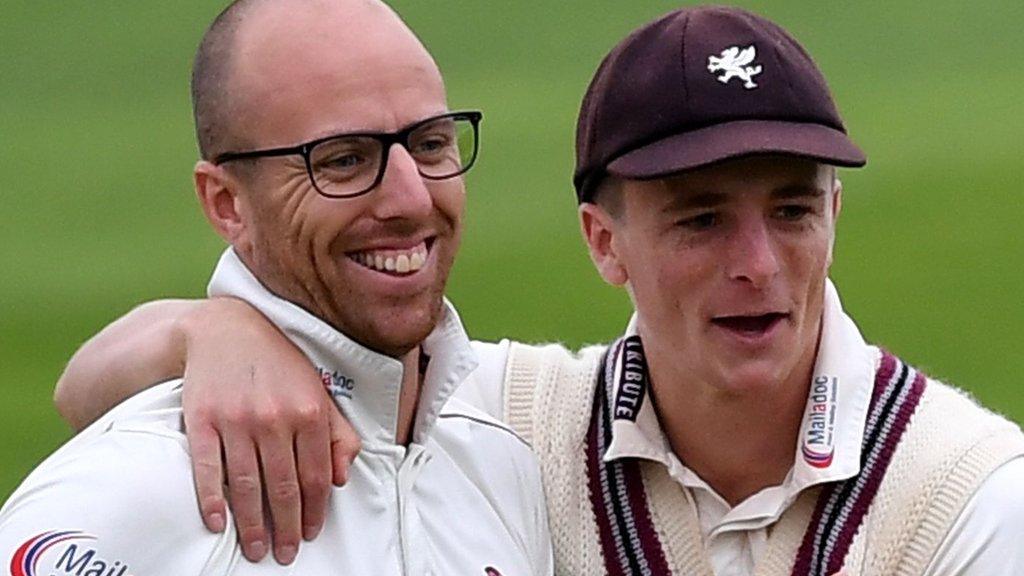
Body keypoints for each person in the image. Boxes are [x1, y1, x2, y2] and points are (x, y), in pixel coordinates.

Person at [49, 5, 1024, 576]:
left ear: (834, 215)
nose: (758, 264)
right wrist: (214, 328)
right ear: (605, 243)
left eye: (792, 210)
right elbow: (86, 391)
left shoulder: (965, 491)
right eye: (698, 219)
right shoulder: (516, 423)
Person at [0, 0, 553, 574]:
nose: (412, 198)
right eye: (343, 160)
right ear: (227, 204)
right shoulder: (137, 486)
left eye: (431, 144)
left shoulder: (503, 465)